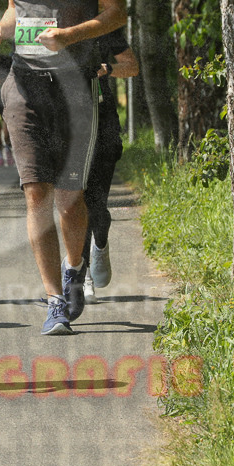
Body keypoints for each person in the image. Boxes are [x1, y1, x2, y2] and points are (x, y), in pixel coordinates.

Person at [0, 0, 126, 335]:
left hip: (73, 86)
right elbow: (15, 7)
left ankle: (73, 269)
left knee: (69, 198)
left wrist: (69, 36)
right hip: (23, 83)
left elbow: (115, 11)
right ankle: (53, 300)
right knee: (36, 193)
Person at [82, 29, 139, 303]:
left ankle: (100, 241)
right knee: (76, 204)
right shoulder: (54, 24)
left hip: (103, 125)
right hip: (69, 125)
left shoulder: (103, 28)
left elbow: (132, 67)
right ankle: (82, 275)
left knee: (96, 206)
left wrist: (108, 69)